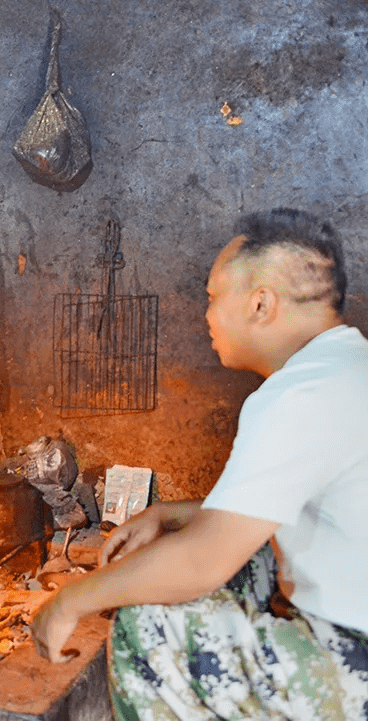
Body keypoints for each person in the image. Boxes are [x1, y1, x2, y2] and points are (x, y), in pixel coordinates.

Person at [32, 208, 368, 719]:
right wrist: (170, 514)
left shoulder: (299, 395)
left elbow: (200, 563)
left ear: (260, 302)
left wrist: (68, 601)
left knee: (146, 626)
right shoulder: (345, 366)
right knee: (239, 559)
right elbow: (271, 509)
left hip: (355, 660)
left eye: (213, 298)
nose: (206, 315)